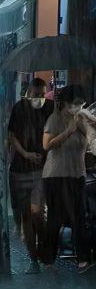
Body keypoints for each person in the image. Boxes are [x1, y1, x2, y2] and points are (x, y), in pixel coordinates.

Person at [42, 85, 92, 273]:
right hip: (56, 175)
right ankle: (48, 258)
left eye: (81, 103)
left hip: (77, 174)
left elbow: (89, 141)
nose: (78, 107)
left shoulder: (81, 119)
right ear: (65, 103)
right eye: (75, 103)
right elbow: (47, 145)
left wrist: (83, 126)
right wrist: (68, 131)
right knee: (56, 218)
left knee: (79, 217)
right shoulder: (55, 119)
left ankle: (83, 259)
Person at [8, 78, 53, 274]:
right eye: (36, 95)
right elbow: (11, 135)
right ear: (28, 93)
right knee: (26, 215)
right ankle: (33, 259)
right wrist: (25, 154)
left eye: (43, 95)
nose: (40, 99)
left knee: (37, 212)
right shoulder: (19, 108)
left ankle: (43, 245)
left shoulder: (51, 107)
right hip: (20, 169)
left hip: (41, 169)